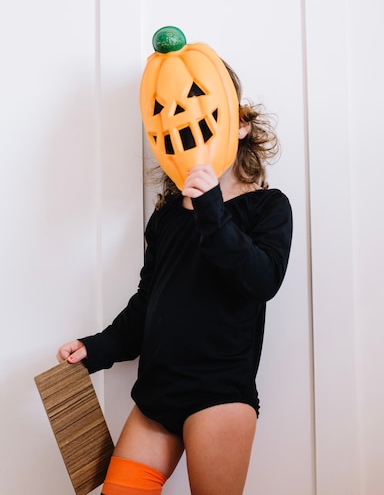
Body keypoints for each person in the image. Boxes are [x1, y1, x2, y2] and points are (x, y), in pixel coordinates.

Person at [57, 62, 293, 495]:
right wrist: (97, 347)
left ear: (240, 125)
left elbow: (261, 280)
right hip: (156, 396)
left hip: (219, 396)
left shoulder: (268, 207)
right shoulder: (166, 218)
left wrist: (211, 209)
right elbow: (150, 301)